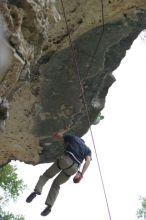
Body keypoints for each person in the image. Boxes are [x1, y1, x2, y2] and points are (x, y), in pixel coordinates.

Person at [26, 130, 92, 216]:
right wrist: (81, 174)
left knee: (47, 175)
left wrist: (65, 130)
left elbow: (57, 136)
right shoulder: (88, 150)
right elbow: (88, 161)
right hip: (74, 168)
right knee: (56, 185)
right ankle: (49, 207)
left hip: (66, 159)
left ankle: (36, 191)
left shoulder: (74, 138)